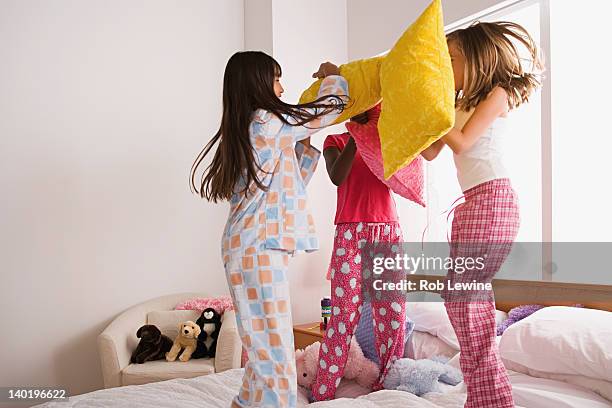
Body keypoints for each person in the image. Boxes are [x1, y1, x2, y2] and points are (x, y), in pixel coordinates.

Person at [190, 51, 349, 408]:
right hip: (256, 249)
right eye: (276, 79)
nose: (282, 86)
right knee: (276, 351)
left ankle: (245, 403)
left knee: (263, 344)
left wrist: (304, 147)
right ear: (258, 85)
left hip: (250, 248)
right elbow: (329, 109)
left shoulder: (252, 127)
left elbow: (287, 188)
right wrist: (334, 78)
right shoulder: (267, 120)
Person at [421, 21, 543, 408]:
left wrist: (432, 105)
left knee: (467, 298)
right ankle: (482, 394)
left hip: (493, 200)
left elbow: (460, 142)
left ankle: (494, 397)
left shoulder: (498, 94)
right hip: (472, 204)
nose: (448, 66)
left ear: (475, 59)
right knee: (460, 299)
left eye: (452, 58)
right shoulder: (457, 104)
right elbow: (429, 152)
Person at [311, 104, 407, 401]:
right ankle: (323, 391)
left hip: (386, 230)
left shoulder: (386, 143)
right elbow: (337, 176)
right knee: (343, 315)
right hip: (350, 232)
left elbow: (401, 176)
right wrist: (357, 133)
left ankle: (390, 384)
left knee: (391, 314)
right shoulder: (335, 141)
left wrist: (377, 135)